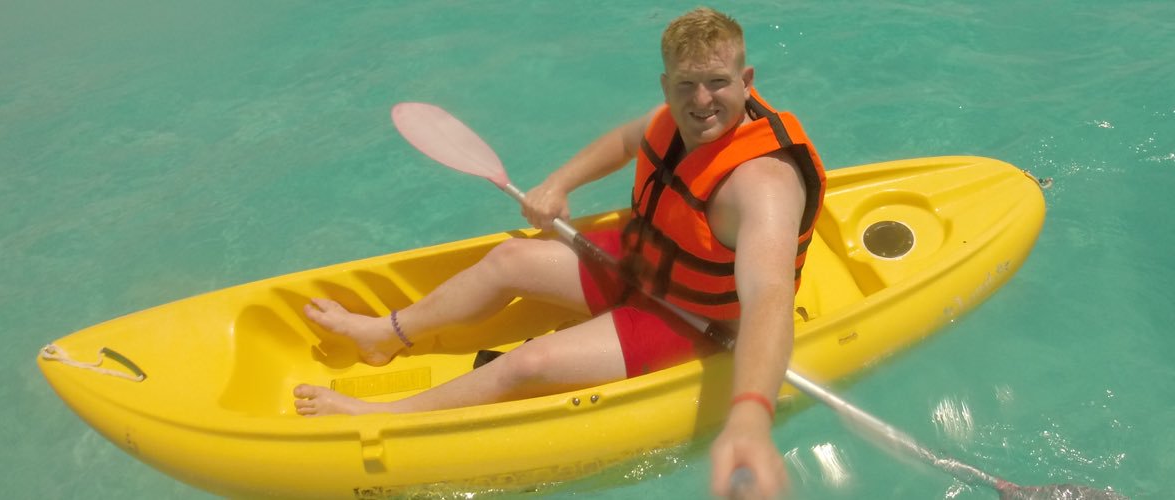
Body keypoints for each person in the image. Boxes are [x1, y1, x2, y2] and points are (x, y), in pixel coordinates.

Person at [292, 7, 825, 498]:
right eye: (686, 85)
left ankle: (386, 417)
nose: (702, 100)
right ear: (667, 86)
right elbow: (625, 143)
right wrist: (559, 183)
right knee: (508, 261)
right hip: (642, 263)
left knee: (531, 363)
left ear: (746, 80)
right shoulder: (673, 117)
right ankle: (386, 334)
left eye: (718, 83)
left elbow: (769, 299)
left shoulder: (763, 186)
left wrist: (750, 417)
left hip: (692, 317)